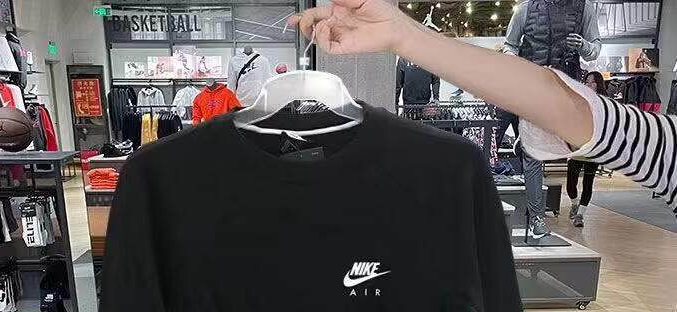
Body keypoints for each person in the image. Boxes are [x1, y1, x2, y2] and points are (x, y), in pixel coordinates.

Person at [290, 0, 676, 217]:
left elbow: (585, 113)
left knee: (529, 159)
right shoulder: (526, 12)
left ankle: (537, 218)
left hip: (540, 101)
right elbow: (580, 113)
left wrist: (403, 37)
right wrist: (401, 35)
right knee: (512, 151)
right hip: (527, 96)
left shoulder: (585, 10)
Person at [503, 0, 602, 238]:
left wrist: (584, 45)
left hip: (565, 90)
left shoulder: (584, 8)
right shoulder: (526, 8)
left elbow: (595, 49)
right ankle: (536, 219)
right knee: (533, 154)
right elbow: (509, 45)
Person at [566, 71, 606, 227]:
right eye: (587, 82)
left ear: (598, 84)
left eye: (592, 82)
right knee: (571, 183)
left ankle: (580, 215)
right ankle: (574, 204)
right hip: (577, 147)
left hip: (594, 148)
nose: (589, 85)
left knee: (588, 183)